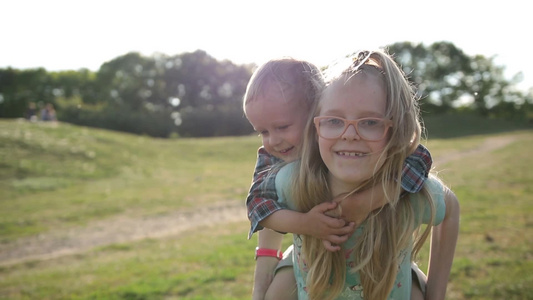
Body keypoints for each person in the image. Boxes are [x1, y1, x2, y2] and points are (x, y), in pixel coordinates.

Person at [273, 49, 460, 299]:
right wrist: (268, 273)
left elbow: (451, 208)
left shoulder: (412, 196)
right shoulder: (295, 182)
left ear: (396, 131)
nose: (349, 134)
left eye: (370, 122)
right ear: (315, 128)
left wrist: (435, 294)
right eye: (334, 121)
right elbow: (267, 211)